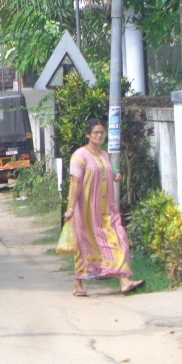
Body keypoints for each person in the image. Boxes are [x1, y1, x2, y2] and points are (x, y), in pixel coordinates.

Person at [63, 118, 145, 297]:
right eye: (96, 133)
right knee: (84, 244)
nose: (99, 136)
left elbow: (110, 169)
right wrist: (70, 209)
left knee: (120, 238)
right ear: (88, 135)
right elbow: (76, 183)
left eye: (102, 133)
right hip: (86, 211)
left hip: (107, 210)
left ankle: (125, 281)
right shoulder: (79, 156)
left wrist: (116, 174)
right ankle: (78, 285)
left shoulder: (104, 154)